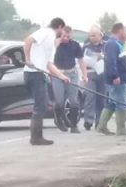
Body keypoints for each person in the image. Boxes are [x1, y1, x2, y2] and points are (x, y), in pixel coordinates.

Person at [23, 17, 66, 146]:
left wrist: (62, 76)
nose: (63, 32)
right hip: (33, 73)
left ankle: (37, 136)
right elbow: (28, 40)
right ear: (59, 27)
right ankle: (36, 138)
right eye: (62, 29)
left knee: (43, 104)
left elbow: (49, 65)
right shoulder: (46, 32)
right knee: (40, 105)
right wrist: (27, 58)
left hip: (39, 73)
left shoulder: (51, 42)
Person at [97, 22, 126, 136]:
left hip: (120, 79)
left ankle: (101, 126)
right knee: (120, 102)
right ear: (120, 30)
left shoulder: (116, 43)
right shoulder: (112, 44)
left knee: (112, 103)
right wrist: (115, 76)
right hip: (118, 80)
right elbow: (110, 61)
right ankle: (121, 128)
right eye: (125, 31)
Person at [51, 26, 85, 134]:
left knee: (74, 100)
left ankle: (74, 125)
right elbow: (49, 57)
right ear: (60, 34)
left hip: (71, 73)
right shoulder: (55, 44)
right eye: (64, 36)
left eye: (68, 36)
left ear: (71, 35)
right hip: (58, 73)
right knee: (60, 100)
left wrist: (85, 74)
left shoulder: (75, 45)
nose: (65, 38)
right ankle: (59, 120)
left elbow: (81, 60)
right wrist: (56, 44)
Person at [81, 26, 106, 130]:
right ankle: (88, 120)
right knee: (90, 97)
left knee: (101, 98)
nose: (92, 37)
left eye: (94, 35)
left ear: (100, 35)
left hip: (103, 73)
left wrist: (103, 56)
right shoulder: (86, 47)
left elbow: (111, 57)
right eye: (90, 35)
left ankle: (99, 121)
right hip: (90, 73)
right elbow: (80, 59)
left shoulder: (106, 45)